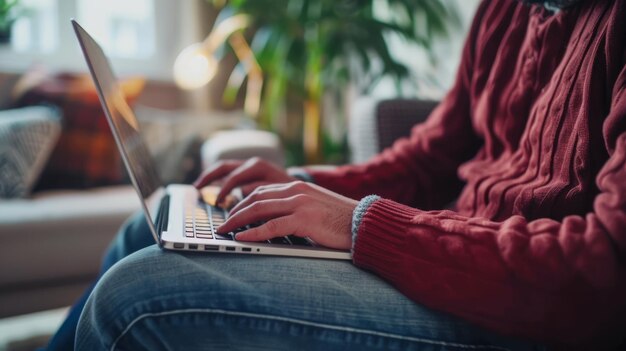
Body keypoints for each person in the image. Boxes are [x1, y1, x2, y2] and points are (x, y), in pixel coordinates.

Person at [46, 0, 626, 349]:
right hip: (446, 257)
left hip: (520, 312)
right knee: (142, 231)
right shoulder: (506, 10)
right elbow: (430, 159)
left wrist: (361, 224)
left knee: (137, 296)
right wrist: (303, 184)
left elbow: (605, 271)